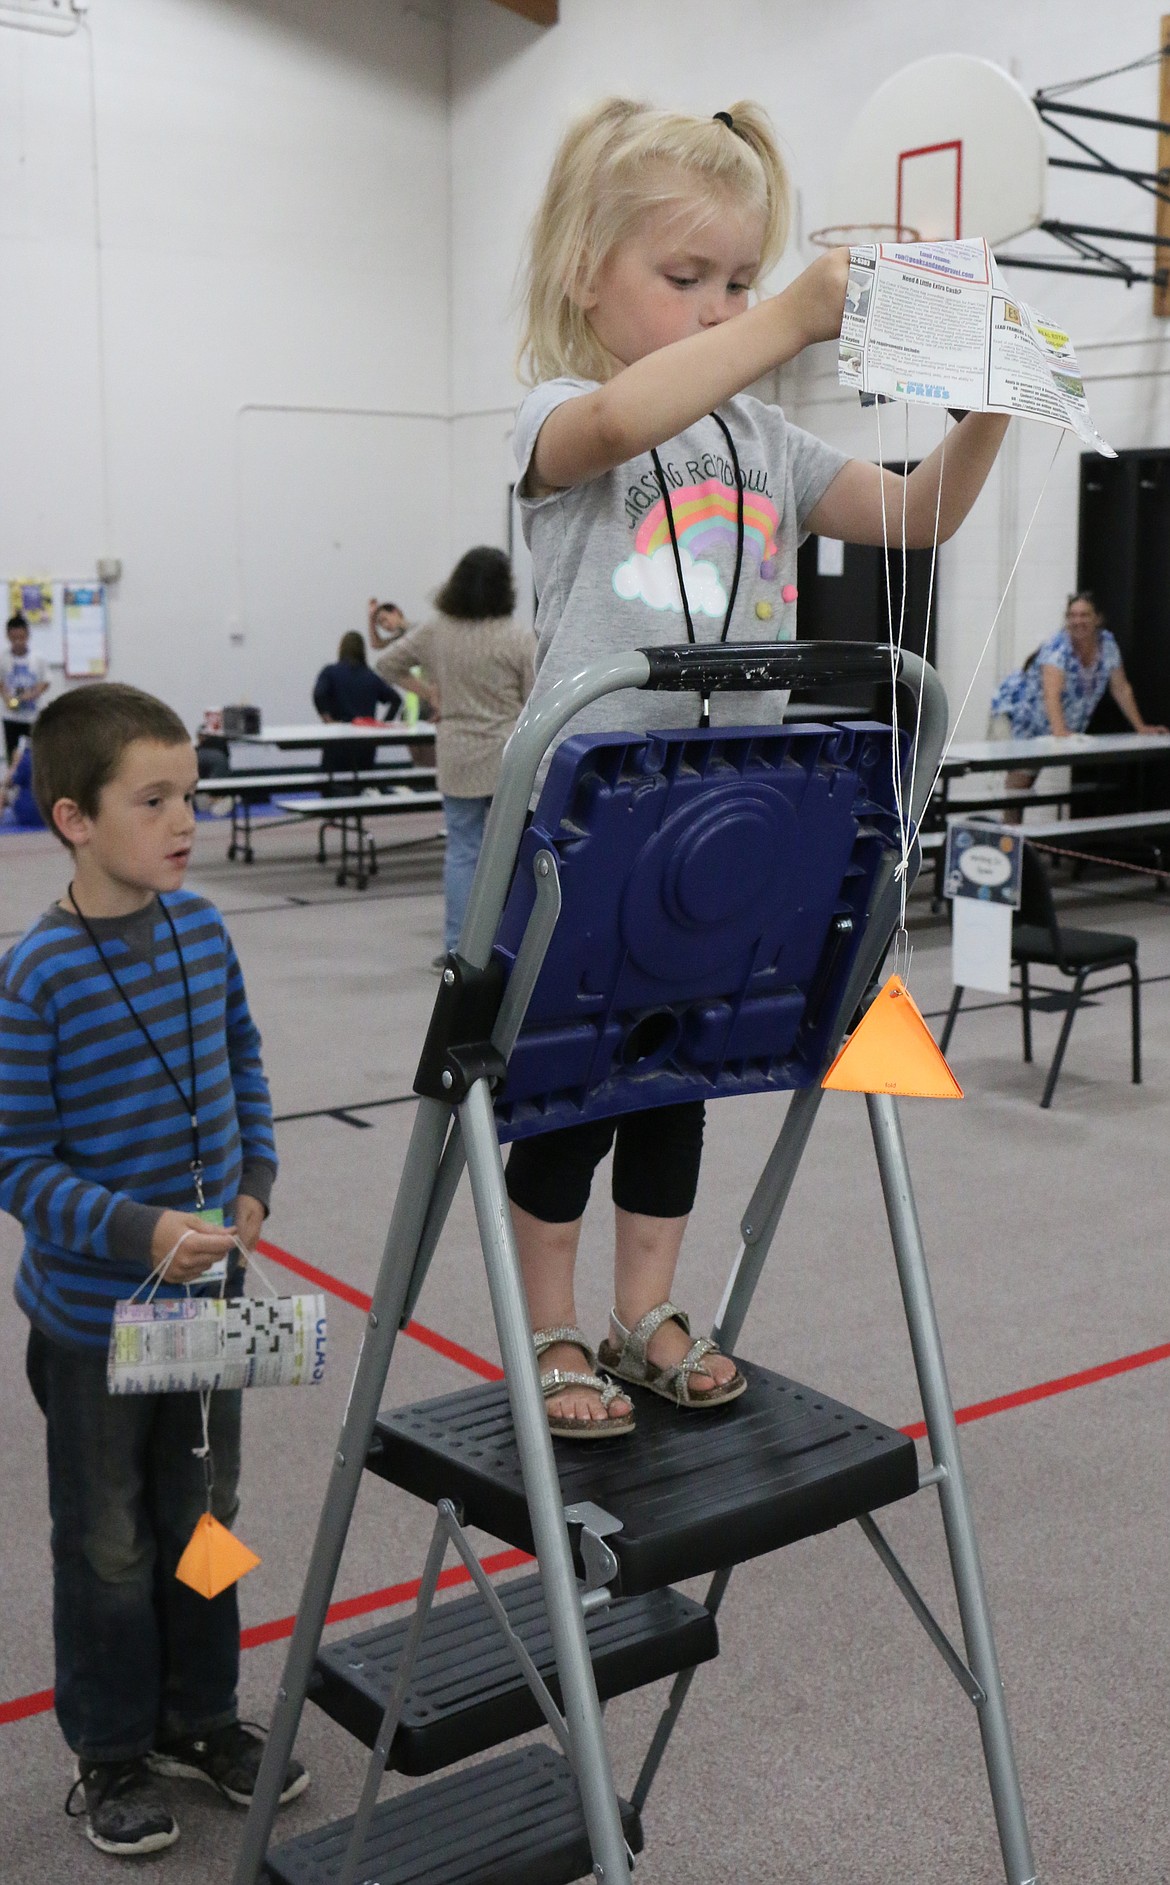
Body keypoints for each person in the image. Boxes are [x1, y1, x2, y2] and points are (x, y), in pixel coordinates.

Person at [505, 97, 1012, 1439]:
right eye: (686, 280)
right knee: (569, 1088)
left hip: (728, 822)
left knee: (684, 1076)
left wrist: (989, 409)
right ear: (582, 273)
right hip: (592, 826)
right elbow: (614, 426)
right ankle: (550, 1324)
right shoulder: (559, 419)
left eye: (736, 279)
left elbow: (917, 512)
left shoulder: (766, 447)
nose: (719, 306)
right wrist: (781, 318)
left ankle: (645, 1312)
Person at [0, 684, 309, 1857]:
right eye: (155, 800)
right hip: (94, 1322)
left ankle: (200, 1717)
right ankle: (113, 1747)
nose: (186, 819)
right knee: (110, 1540)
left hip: (210, 1305)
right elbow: (17, 1161)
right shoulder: (38, 977)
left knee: (208, 1513)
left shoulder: (204, 930)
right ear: (76, 819)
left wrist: (256, 1175)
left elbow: (242, 1056)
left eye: (192, 794)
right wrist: (136, 1232)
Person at [374, 546, 534, 965]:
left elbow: (386, 665)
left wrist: (430, 693)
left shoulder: (436, 632)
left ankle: (457, 950)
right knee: (509, 852)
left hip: (457, 755)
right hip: (507, 759)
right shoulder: (517, 636)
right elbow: (536, 698)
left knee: (463, 851)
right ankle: (505, 946)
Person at [989, 591, 1168, 793]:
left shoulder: (1107, 644)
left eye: (1084, 615)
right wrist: (1059, 733)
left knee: (1027, 779)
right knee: (1020, 779)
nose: (1077, 621)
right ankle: (1010, 825)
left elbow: (1121, 688)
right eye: (1072, 615)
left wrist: (1141, 727)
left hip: (1048, 722)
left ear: (1097, 619)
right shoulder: (1058, 647)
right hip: (1018, 715)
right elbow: (1051, 693)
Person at [313, 629, 403, 783]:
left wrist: (327, 718)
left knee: (331, 785)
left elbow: (318, 694)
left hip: (337, 740)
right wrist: (382, 725)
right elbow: (396, 699)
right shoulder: (371, 676)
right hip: (365, 743)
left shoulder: (330, 672)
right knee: (361, 785)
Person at [2, 612, 50, 760]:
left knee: (35, 757)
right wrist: (7, 698)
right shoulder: (3, 658)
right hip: (11, 717)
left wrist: (32, 694)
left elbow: (46, 681)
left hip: (32, 716)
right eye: (14, 638)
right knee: (14, 757)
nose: (18, 642)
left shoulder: (38, 658)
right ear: (8, 636)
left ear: (27, 635)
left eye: (21, 637)